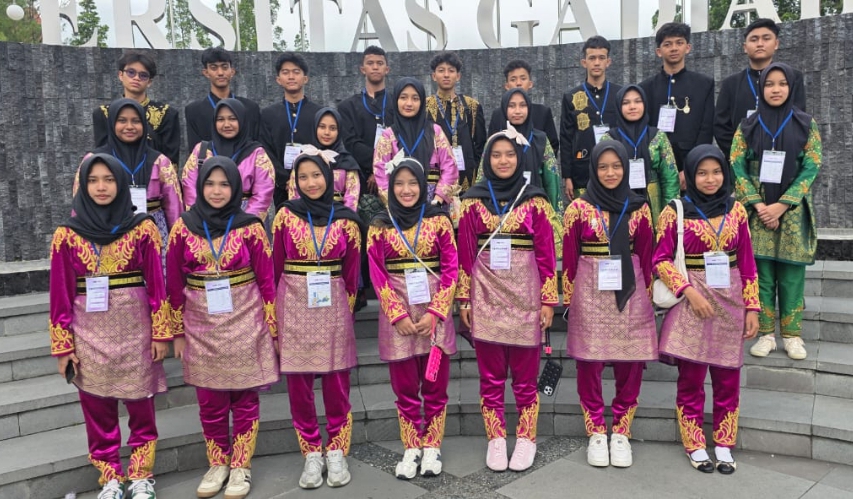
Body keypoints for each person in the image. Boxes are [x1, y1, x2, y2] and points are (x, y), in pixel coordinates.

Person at [50, 153, 170, 499]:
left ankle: (141, 475)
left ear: (120, 184)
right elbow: (60, 294)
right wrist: (63, 346)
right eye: (93, 180)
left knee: (141, 406)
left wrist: (161, 332)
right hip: (88, 334)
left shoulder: (142, 228)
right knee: (97, 410)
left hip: (136, 331)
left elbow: (156, 283)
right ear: (82, 186)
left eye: (108, 179)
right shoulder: (66, 235)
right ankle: (110, 477)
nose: (101, 187)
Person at [166, 157, 279, 499]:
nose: (217, 191)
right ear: (200, 186)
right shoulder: (183, 227)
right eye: (210, 184)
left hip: (246, 320)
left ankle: (241, 465)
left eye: (225, 184)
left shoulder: (250, 226)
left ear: (237, 188)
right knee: (210, 400)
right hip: (200, 325)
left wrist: (272, 329)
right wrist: (177, 332)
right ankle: (218, 462)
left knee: (244, 398)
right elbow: (173, 282)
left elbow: (267, 280)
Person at [654, 144, 760, 474]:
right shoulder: (675, 211)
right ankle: (695, 444)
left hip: (731, 302)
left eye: (716, 172)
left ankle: (724, 444)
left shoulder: (737, 211)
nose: (710, 179)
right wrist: (688, 291)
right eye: (702, 173)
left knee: (728, 379)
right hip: (692, 304)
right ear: (689, 176)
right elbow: (660, 260)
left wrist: (753, 307)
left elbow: (747, 263)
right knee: (691, 379)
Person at [457, 130, 558, 473]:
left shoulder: (535, 200)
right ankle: (496, 438)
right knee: (491, 377)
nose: (503, 160)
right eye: (496, 154)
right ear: (487, 159)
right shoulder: (472, 202)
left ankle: (527, 437)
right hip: (485, 295)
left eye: (510, 154)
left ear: (520, 159)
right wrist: (464, 301)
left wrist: (548, 301)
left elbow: (546, 254)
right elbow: (464, 255)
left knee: (526, 379)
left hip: (526, 299)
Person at [562, 141, 657, 469]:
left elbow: (646, 254)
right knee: (589, 364)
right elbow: (570, 258)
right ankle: (596, 431)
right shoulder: (578, 208)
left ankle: (621, 430)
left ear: (626, 168)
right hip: (589, 293)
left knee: (630, 363)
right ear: (593, 170)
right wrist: (569, 299)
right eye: (603, 167)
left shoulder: (639, 207)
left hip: (630, 293)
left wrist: (648, 296)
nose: (610, 173)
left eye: (617, 166)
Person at [272, 152, 363, 489]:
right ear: (295, 182)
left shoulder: (347, 220)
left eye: (316, 175)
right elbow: (275, 266)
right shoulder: (284, 216)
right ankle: (311, 450)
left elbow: (352, 275)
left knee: (337, 383)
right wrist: (275, 319)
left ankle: (337, 449)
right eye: (303, 177)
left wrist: (344, 311)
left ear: (328, 177)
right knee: (299, 385)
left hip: (333, 307)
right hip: (294, 306)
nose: (311, 182)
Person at [367, 156, 458, 479]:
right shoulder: (380, 225)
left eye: (413, 183)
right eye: (400, 184)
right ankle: (411, 445)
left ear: (423, 186)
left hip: (434, 314)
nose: (406, 190)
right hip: (399, 317)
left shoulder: (439, 221)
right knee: (405, 387)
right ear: (390, 187)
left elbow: (451, 269)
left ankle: (432, 444)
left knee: (435, 385)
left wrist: (436, 312)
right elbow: (377, 273)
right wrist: (397, 315)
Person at [730, 63, 821, 360]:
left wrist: (782, 205)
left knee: (792, 275)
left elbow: (812, 166)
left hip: (791, 209)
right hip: (757, 210)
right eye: (769, 84)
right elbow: (737, 165)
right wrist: (758, 204)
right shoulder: (748, 125)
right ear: (761, 89)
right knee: (762, 274)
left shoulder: (806, 124)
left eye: (782, 83)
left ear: (791, 88)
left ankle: (792, 335)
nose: (776, 89)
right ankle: (766, 334)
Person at [76, 98, 183, 265]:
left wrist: (177, 245)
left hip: (154, 233)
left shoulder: (160, 161)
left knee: (155, 277)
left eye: (136, 121)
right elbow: (80, 204)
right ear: (112, 123)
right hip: (107, 232)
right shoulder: (94, 161)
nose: (129, 126)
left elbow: (174, 207)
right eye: (122, 121)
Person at [714, 18, 807, 158]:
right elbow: (721, 125)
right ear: (745, 47)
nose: (760, 44)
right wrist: (739, 155)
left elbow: (798, 119)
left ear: (776, 44)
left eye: (766, 38)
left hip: (781, 157)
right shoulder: (731, 83)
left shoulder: (793, 78)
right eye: (754, 39)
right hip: (740, 161)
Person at [640, 22, 714, 190]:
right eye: (667, 44)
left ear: (687, 48)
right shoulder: (645, 88)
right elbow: (644, 130)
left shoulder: (703, 84)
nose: (674, 48)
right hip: (656, 168)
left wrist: (692, 167)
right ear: (659, 51)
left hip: (692, 167)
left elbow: (706, 129)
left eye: (679, 43)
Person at [182, 99, 275, 222]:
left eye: (232, 119)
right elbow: (190, 187)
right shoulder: (201, 151)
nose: (226, 124)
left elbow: (263, 193)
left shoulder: (256, 153)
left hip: (245, 218)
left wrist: (245, 222)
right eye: (220, 119)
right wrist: (200, 217)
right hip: (205, 219)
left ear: (242, 120)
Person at [600, 85, 679, 228]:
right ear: (618, 107)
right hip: (619, 202)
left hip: (653, 202)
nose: (632, 107)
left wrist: (669, 213)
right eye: (626, 102)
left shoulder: (658, 136)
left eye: (638, 101)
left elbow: (670, 178)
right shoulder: (609, 138)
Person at [374, 78, 458, 206]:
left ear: (422, 101)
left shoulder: (435, 132)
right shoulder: (388, 136)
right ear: (396, 100)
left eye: (415, 98)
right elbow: (380, 173)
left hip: (433, 204)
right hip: (400, 203)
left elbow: (450, 166)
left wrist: (438, 198)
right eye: (403, 98)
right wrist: (394, 202)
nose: (409, 103)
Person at [560, 36, 622, 200]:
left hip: (615, 169)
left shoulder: (619, 94)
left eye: (601, 58)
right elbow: (566, 138)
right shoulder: (572, 96)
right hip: (582, 171)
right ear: (584, 62)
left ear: (608, 62)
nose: (596, 63)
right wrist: (567, 176)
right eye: (592, 58)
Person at [93, 51, 181, 165]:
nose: (136, 78)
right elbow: (102, 155)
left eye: (143, 75)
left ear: (149, 82)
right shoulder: (104, 113)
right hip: (115, 173)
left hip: (154, 173)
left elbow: (171, 160)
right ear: (120, 75)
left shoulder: (166, 113)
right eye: (131, 73)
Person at [260, 52, 323, 207]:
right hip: (282, 186)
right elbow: (265, 149)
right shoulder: (268, 114)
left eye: (296, 72)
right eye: (285, 72)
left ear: (305, 78)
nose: (291, 77)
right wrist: (284, 179)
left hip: (313, 183)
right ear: (278, 79)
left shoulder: (319, 113)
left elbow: (323, 147)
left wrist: (308, 176)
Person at [425, 52, 486, 192]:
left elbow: (480, 143)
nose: (446, 75)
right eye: (441, 70)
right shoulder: (425, 106)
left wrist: (474, 168)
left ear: (458, 76)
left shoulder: (472, 106)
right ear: (434, 76)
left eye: (451, 71)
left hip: (467, 176)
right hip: (435, 176)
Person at [338, 45, 396, 191]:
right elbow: (351, 143)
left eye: (380, 63)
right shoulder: (347, 107)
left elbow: (402, 139)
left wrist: (383, 169)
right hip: (360, 178)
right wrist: (376, 167)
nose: (375, 67)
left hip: (395, 174)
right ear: (362, 69)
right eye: (370, 63)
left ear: (387, 69)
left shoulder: (398, 103)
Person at [184, 47, 261, 151]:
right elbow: (195, 152)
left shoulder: (250, 108)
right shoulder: (194, 111)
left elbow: (257, 149)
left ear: (232, 71)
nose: (220, 73)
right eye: (214, 68)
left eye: (224, 67)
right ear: (206, 72)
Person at [286, 108, 361, 211]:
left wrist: (345, 217)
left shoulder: (347, 161)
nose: (327, 132)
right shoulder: (304, 159)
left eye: (332, 128)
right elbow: (294, 193)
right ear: (315, 128)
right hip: (307, 214)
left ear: (339, 131)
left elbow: (352, 197)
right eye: (322, 127)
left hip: (339, 214)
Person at [488, 59, 559, 154]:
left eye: (523, 78)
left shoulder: (543, 112)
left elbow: (553, 145)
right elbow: (490, 146)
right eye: (513, 79)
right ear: (507, 86)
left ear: (530, 84)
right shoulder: (497, 114)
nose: (518, 83)